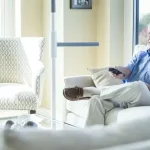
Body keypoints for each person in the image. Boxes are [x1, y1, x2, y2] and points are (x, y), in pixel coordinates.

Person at [63, 24, 150, 126]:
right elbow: (127, 71)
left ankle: (87, 91)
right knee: (96, 101)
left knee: (139, 86)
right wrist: (118, 71)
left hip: (144, 97)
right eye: (149, 34)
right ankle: (93, 141)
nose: (149, 38)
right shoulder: (141, 55)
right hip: (126, 95)